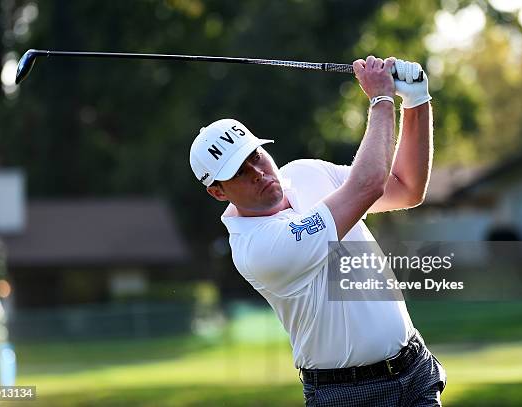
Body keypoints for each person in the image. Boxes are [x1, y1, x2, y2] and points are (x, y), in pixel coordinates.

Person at [189, 55, 446, 406]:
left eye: (257, 156)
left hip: (415, 371)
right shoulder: (258, 248)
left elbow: (406, 187)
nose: (259, 172)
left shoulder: (307, 172)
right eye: (240, 172)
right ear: (217, 192)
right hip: (347, 395)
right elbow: (367, 186)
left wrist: (416, 101)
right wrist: (381, 99)